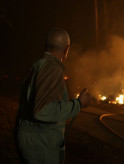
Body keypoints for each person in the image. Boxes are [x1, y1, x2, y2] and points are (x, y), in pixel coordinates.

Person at [15, 28, 91, 164]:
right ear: (66, 49)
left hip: (29, 139)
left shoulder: (36, 66)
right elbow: (42, 110)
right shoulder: (51, 68)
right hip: (41, 144)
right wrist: (78, 104)